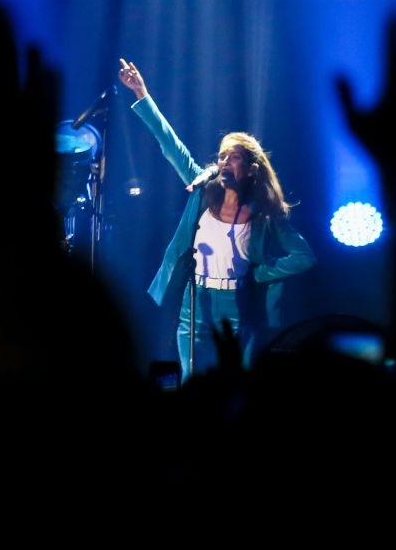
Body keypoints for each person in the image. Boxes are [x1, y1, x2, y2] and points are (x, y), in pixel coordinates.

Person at [118, 57, 316, 380]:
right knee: (192, 381)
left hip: (239, 305)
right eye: (221, 156)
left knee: (237, 385)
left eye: (233, 157)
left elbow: (304, 256)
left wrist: (259, 273)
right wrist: (142, 94)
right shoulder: (202, 190)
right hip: (196, 302)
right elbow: (171, 145)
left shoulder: (265, 212)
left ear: (250, 168)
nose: (224, 161)